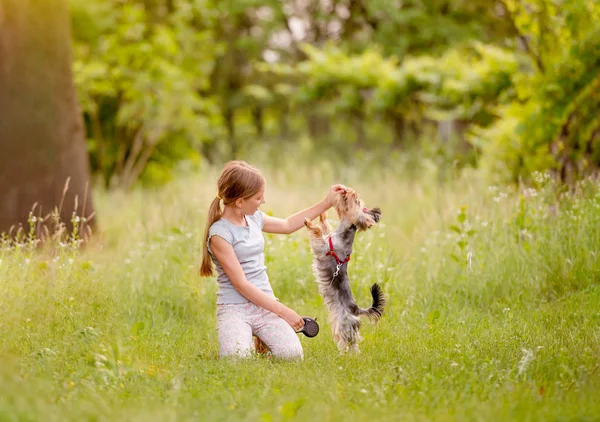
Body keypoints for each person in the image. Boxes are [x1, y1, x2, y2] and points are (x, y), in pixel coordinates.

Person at [200, 160, 345, 359]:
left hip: (264, 304)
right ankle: (247, 340)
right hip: (234, 308)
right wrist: (284, 312)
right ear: (240, 201)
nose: (263, 201)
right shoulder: (219, 234)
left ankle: (261, 339)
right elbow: (241, 284)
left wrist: (326, 203)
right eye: (258, 198)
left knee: (292, 355)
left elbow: (287, 225)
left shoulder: (253, 218)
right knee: (238, 359)